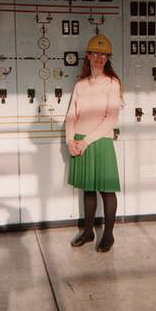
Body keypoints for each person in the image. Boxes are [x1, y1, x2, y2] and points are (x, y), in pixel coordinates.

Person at [65, 34, 123, 253]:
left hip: (99, 141)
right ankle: (88, 232)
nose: (99, 57)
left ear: (108, 58)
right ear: (88, 56)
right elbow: (71, 115)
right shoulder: (80, 85)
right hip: (79, 142)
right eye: (95, 53)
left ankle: (108, 235)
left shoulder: (112, 83)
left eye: (103, 54)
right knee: (88, 190)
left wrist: (86, 141)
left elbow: (111, 118)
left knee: (107, 191)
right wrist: (70, 140)